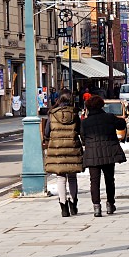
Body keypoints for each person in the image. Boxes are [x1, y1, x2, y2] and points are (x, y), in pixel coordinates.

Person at [80, 94, 127, 217]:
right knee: (109, 179)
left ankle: (96, 207)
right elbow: (122, 124)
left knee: (94, 181)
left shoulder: (85, 123)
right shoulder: (109, 117)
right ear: (101, 106)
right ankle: (110, 204)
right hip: (108, 153)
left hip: (92, 154)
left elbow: (83, 138)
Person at [43, 90, 83, 218]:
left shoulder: (52, 115)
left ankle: (63, 207)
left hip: (57, 149)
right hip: (72, 148)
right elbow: (80, 130)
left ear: (59, 99)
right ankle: (73, 204)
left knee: (60, 178)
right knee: (72, 177)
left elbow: (47, 133)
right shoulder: (75, 114)